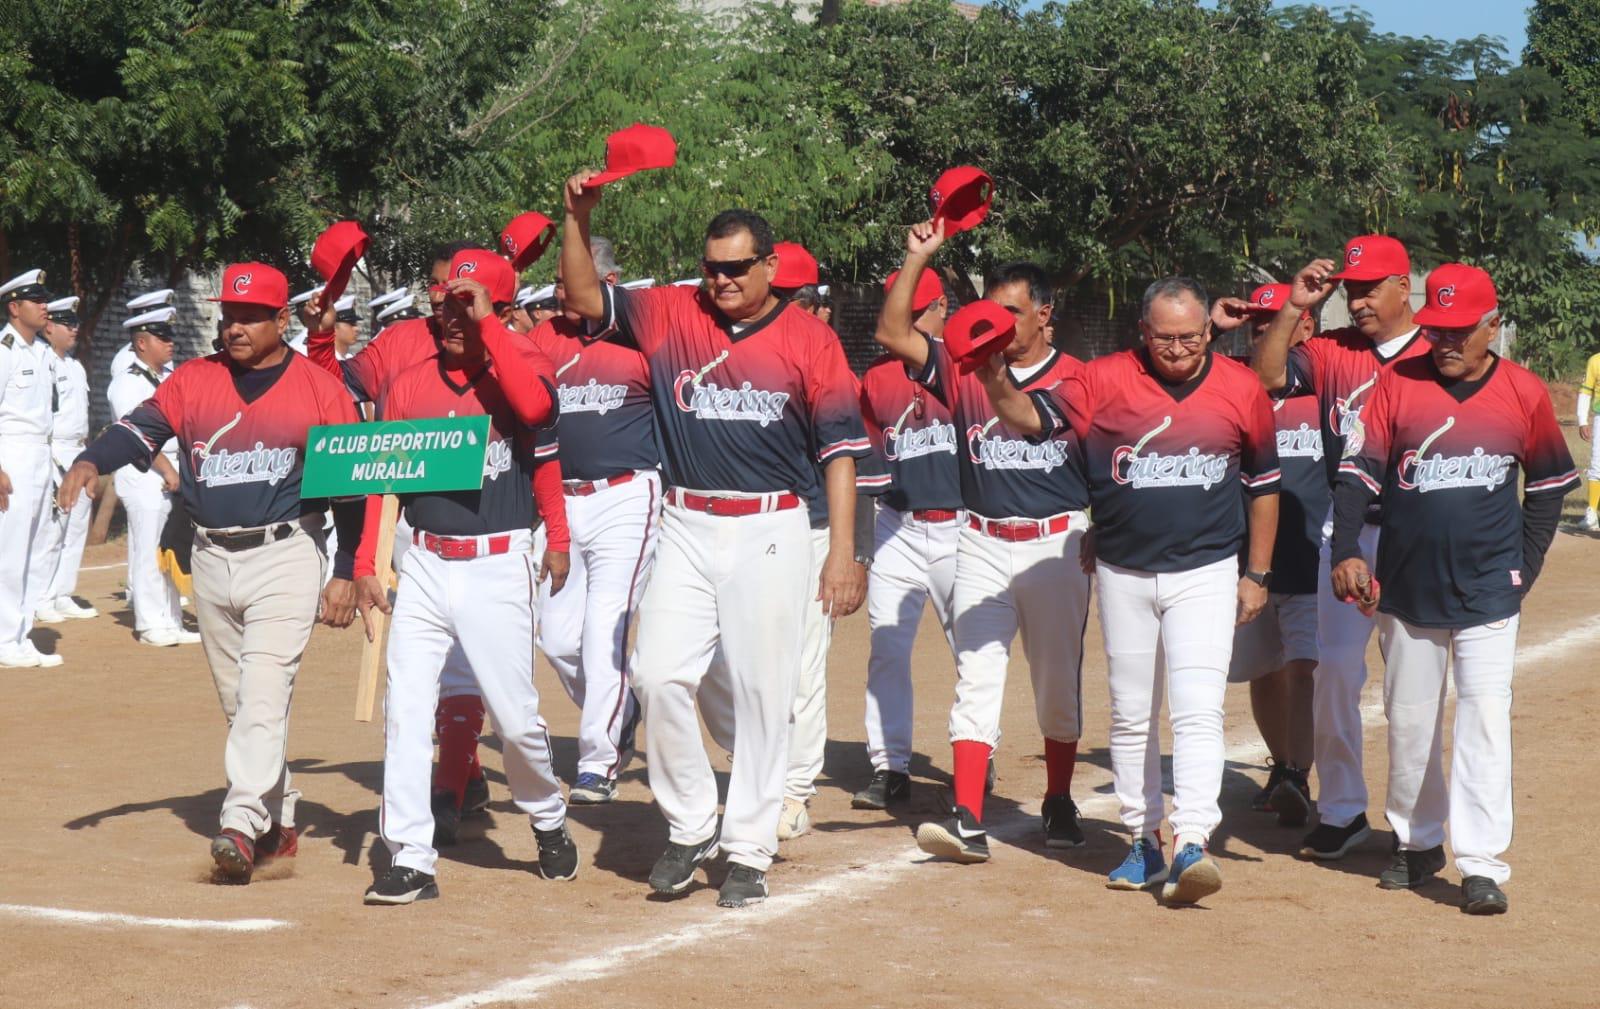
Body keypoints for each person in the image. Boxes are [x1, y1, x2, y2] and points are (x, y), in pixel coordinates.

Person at [558, 171, 869, 908]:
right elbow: (579, 296)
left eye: (737, 267)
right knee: (657, 674)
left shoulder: (809, 339)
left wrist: (843, 552)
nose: (722, 279)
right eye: (712, 266)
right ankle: (693, 821)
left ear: (769, 266)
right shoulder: (669, 313)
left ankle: (751, 847)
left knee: (765, 694)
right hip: (687, 523)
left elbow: (841, 453)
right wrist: (576, 218)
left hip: (771, 527)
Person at [59, 262, 367, 882]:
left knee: (261, 691)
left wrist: (345, 568)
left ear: (282, 320)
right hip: (210, 556)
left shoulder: (318, 388)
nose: (234, 326)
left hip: (286, 552)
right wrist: (91, 460)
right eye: (228, 314)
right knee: (241, 704)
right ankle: (278, 819)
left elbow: (355, 490)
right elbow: (137, 431)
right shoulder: (194, 381)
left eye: (251, 316)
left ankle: (240, 821)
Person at [985, 275, 1280, 905]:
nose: (1178, 349)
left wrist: (1256, 574)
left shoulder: (1240, 387)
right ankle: (1142, 837)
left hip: (1205, 571)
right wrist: (988, 369)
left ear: (1210, 331)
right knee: (1131, 710)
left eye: (1191, 337)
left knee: (1197, 706)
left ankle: (1194, 837)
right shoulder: (1103, 379)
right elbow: (1025, 416)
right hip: (1122, 569)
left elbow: (1263, 484)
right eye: (1165, 337)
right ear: (1142, 333)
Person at [305, 242, 571, 845]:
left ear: (499, 309)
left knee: (515, 721)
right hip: (423, 556)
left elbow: (537, 418)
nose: (449, 312)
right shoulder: (407, 367)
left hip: (497, 560)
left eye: (467, 302)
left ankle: (547, 813)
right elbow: (377, 465)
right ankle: (410, 853)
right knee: (405, 711)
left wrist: (557, 533)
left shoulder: (524, 359)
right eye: (444, 298)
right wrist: (367, 560)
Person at [1330, 264, 1576, 915]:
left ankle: (1480, 862)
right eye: (1435, 327)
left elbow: (1549, 489)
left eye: (1460, 329)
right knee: (1410, 721)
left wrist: (1521, 567)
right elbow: (1356, 476)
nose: (1444, 340)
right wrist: (1347, 547)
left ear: (1492, 325)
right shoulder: (1396, 385)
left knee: (1484, 720)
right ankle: (1416, 841)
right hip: (1406, 587)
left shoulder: (1522, 392)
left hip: (1490, 589)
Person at [871, 219, 1091, 864]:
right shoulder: (964, 367)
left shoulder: (1076, 377)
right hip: (981, 540)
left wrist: (1102, 531)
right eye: (991, 310)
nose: (1000, 323)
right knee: (977, 677)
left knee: (1056, 685)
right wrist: (917, 258)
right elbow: (891, 333)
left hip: (1056, 545)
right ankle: (967, 813)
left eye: (1014, 312)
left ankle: (1057, 798)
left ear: (1045, 314)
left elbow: (1048, 432)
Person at [1251, 235, 1431, 861]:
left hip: (1415, 534)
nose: (1357, 301)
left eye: (1370, 288)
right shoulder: (1329, 351)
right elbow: (1268, 374)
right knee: (1333, 675)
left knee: (1413, 683)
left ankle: (1413, 827)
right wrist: (1294, 306)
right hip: (1347, 532)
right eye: (1350, 289)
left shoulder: (1435, 353)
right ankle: (1342, 809)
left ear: (1403, 287)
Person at [522, 236, 657, 806]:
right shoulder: (543, 338)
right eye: (556, 279)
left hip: (627, 494)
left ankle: (598, 762)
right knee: (553, 636)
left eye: (571, 277)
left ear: (610, 278)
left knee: (605, 629)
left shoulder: (641, 338)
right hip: (560, 501)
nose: (559, 289)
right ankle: (621, 710)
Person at [1212, 284, 1325, 827]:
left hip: (1309, 554)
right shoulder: (1231, 383)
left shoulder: (1322, 385)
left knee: (1302, 668)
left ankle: (1299, 774)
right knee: (1262, 670)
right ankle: (1283, 766)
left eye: (1276, 321)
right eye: (1257, 323)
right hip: (1246, 558)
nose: (1263, 331)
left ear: (1307, 326)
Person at [852, 267, 961, 811]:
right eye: (905, 311)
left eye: (921, 311)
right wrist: (858, 547)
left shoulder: (967, 369)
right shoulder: (876, 379)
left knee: (973, 650)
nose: (912, 321)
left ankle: (974, 754)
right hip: (898, 524)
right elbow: (863, 467)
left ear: (943, 308)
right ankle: (889, 766)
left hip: (964, 528)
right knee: (887, 651)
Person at [108, 306, 197, 647]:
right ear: (142, 343)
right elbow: (135, 435)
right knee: (148, 548)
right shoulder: (127, 382)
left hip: (172, 469)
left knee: (171, 546)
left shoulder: (167, 378)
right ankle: (148, 622)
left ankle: (171, 619)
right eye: (162, 337)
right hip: (144, 470)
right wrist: (167, 468)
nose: (170, 343)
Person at [0, 269, 63, 668]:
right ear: (14, 307)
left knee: (36, 549)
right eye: (35, 300)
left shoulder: (41, 351)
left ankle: (21, 635)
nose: (44, 306)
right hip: (13, 455)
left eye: (44, 299)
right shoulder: (4, 350)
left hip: (42, 455)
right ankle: (5, 638)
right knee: (10, 552)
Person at [33, 296, 99, 623]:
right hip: (55, 450)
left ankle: (62, 592)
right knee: (53, 529)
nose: (74, 329)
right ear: (48, 327)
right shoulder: (43, 361)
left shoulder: (75, 365)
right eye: (66, 323)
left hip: (79, 450)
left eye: (75, 323)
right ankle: (41, 595)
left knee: (75, 529)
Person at [1576, 347, 1600, 530]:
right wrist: (1582, 420)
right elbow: (1586, 391)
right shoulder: (1595, 361)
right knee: (1597, 464)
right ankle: (1592, 513)